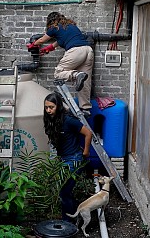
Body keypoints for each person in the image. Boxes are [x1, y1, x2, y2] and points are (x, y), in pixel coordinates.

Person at [29, 12, 94, 116]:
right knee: (86, 81)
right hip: (88, 51)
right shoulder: (70, 26)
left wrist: (32, 45)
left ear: (50, 21)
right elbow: (60, 41)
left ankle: (75, 75)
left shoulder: (53, 27)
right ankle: (85, 108)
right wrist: (49, 48)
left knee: (58, 73)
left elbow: (41, 40)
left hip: (76, 51)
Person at [43, 92, 92, 222]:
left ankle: (67, 223)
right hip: (64, 159)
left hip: (74, 159)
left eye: (51, 107)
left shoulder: (68, 120)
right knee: (65, 191)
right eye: (46, 107)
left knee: (64, 191)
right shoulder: (52, 119)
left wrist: (86, 151)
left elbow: (88, 133)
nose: (48, 110)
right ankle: (76, 216)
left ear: (58, 106)